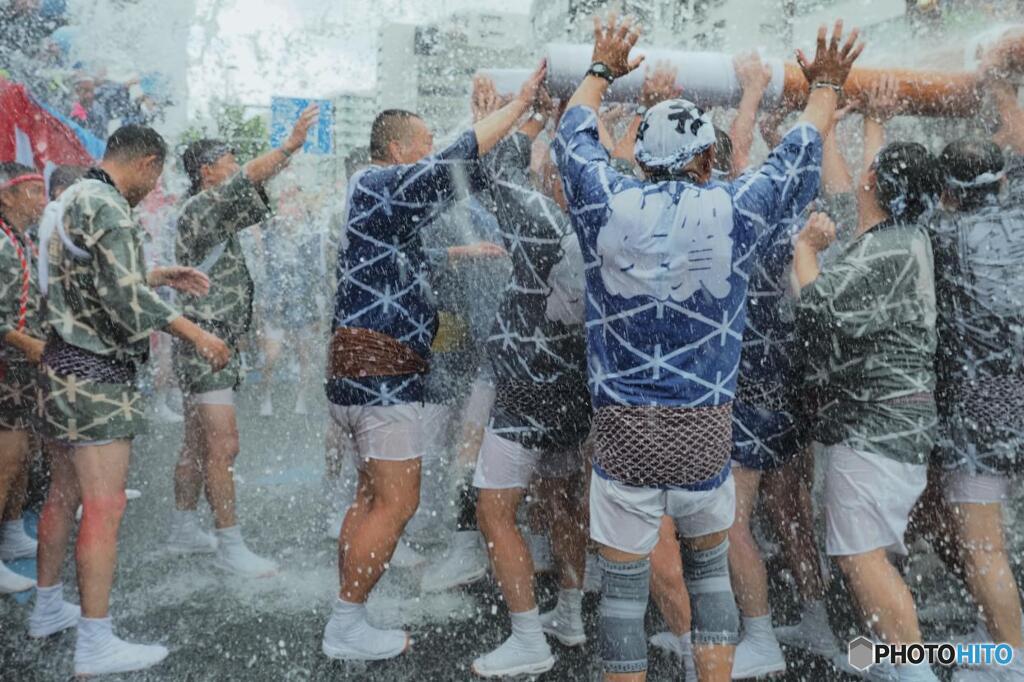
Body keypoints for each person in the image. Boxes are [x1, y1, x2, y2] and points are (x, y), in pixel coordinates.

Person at [552, 14, 861, 681]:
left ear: (637, 156)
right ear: (708, 160)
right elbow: (799, 152)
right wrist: (826, 84)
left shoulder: (606, 201)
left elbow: (571, 136)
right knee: (710, 576)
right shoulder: (735, 208)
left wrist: (602, 67)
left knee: (626, 596)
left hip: (624, 439)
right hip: (705, 438)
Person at [320, 59, 547, 662]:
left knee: (370, 497)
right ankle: (345, 623)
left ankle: (352, 611)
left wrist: (506, 127)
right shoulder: (376, 183)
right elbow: (454, 161)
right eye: (421, 142)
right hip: (381, 371)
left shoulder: (378, 198)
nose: (430, 150)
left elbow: (456, 187)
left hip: (362, 367)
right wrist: (521, 102)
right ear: (398, 149)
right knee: (398, 501)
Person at [30, 124, 229, 676]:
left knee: (62, 495)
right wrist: (199, 334)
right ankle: (95, 643)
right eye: (155, 175)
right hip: (95, 376)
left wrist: (159, 273)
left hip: (57, 368)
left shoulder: (70, 197)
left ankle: (47, 608)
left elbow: (89, 276)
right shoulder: (111, 207)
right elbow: (125, 302)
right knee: (103, 506)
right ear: (145, 162)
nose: (153, 186)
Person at [793, 86, 943, 680]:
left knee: (863, 560)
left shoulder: (885, 251)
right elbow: (863, 199)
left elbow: (816, 307)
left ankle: (913, 672)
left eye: (870, 167)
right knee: (871, 556)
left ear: (878, 184)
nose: (861, 172)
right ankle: (892, 663)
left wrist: (805, 247)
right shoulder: (903, 238)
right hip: (895, 431)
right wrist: (872, 120)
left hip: (878, 435)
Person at [467, 82, 592, 677]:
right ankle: (568, 613)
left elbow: (496, 162)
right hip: (574, 391)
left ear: (561, 178)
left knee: (494, 509)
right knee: (565, 501)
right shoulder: (608, 223)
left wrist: (527, 112)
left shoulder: (541, 220)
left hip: (524, 395)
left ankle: (527, 639)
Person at [166, 106, 318, 576]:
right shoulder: (198, 208)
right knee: (223, 445)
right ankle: (231, 545)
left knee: (196, 442)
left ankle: (183, 529)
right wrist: (290, 145)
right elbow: (249, 178)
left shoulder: (213, 213)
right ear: (206, 171)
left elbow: (251, 190)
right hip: (204, 345)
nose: (235, 165)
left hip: (210, 343)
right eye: (228, 159)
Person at [931, 133, 1024, 681]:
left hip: (979, 407)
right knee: (969, 538)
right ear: (1004, 183)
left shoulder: (940, 233)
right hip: (1017, 391)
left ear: (946, 192)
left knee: (984, 547)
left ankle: (1010, 659)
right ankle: (998, 640)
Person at [0, 163, 46, 594]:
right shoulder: (0, 242)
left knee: (24, 453)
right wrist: (28, 344)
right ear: (6, 197)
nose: (42, 198)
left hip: (24, 366)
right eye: (31, 191)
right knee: (6, 457)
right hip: (6, 364)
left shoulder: (24, 240)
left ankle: (12, 531)